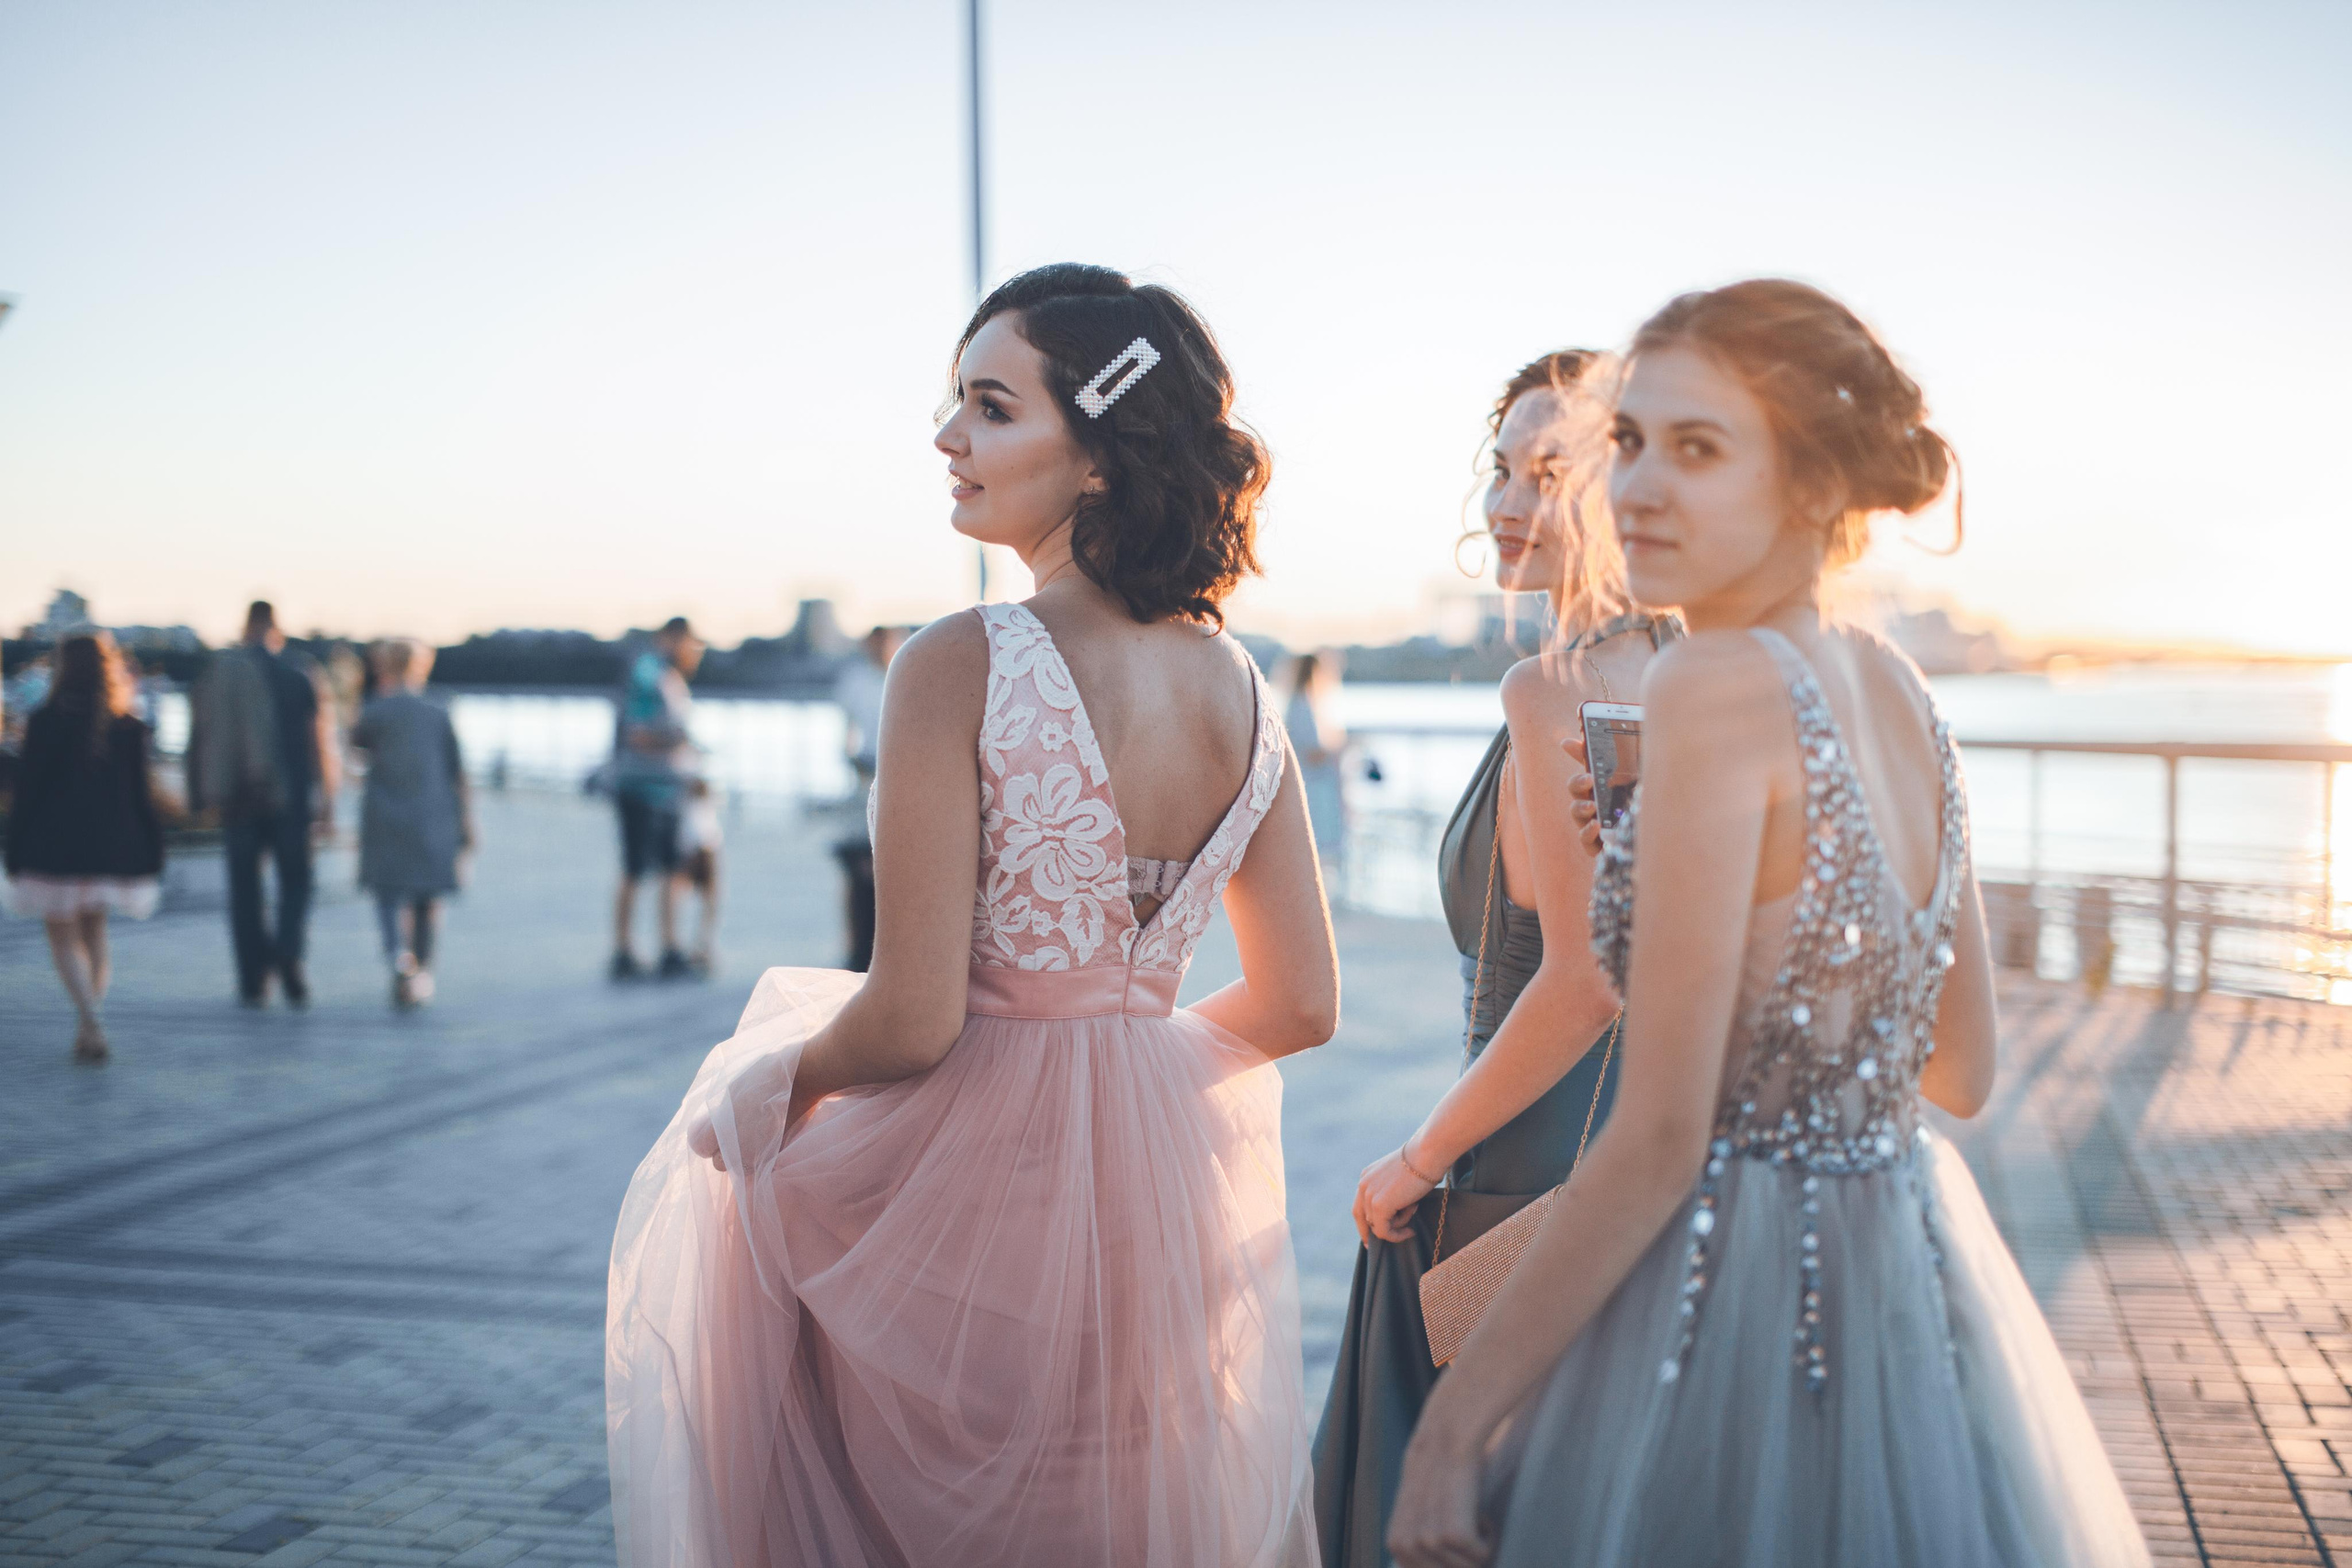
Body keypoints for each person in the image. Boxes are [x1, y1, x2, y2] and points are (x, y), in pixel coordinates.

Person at [1386, 280, 2149, 1567]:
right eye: (1628, 440)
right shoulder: (1898, 685)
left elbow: (1662, 1134)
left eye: (1698, 448)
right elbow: (1962, 1069)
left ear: (1809, 481)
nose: (1634, 490)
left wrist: (1452, 1425)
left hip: (1728, 1288)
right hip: (1898, 1272)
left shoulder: (1715, 680)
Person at [607, 263, 1340, 1567]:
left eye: (991, 406)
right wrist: (1130, 1062)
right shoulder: (1241, 683)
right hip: (1151, 1200)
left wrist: (771, 1083)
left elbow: (909, 1017)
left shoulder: (961, 658)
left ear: (1104, 454)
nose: (947, 437)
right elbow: (1300, 1005)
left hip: (969, 1192)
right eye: (955, 401)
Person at [1312, 351, 1679, 1567]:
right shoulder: (1695, 679)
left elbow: (1582, 976)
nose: (1509, 503)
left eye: (1548, 471)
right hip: (1641, 1151)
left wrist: (1418, 1153)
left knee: (1449, 1510)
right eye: (1500, 469)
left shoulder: (1552, 688)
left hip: (1513, 1154)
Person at [4, 631, 166, 1062]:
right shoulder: (128, 725)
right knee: (95, 932)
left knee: (61, 935)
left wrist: (14, 849)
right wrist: (153, 849)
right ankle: (89, 1021)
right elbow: (141, 796)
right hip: (110, 848)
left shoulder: (44, 721)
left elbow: (27, 794)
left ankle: (89, 1018)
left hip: (53, 848)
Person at [187, 601, 340, 1007]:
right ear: (276, 626)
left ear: (246, 624)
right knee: (296, 882)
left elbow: (201, 731)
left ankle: (253, 980)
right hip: (289, 796)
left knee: (244, 889)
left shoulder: (222, 670)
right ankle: (288, 950)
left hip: (239, 796)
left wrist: (201, 791)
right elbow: (317, 739)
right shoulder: (300, 670)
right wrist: (327, 797)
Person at [351, 638, 471, 1010]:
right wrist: (467, 822)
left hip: (385, 812)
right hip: (433, 814)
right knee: (427, 897)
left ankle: (399, 960)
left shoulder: (375, 709)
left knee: (388, 893)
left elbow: (351, 750)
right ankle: (423, 971)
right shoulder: (439, 710)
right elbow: (458, 773)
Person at [609, 615, 703, 981]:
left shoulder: (667, 675)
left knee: (671, 869)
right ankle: (624, 950)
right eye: (691, 645)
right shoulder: (649, 673)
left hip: (668, 787)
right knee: (635, 869)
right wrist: (678, 742)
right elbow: (637, 734)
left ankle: (669, 947)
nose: (695, 654)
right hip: (642, 787)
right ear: (674, 638)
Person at [831, 625, 900, 971]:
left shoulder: (906, 675)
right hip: (863, 784)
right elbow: (846, 733)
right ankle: (855, 948)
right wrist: (854, 762)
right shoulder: (855, 683)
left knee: (888, 870)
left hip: (898, 782)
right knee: (854, 868)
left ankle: (882, 951)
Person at [1283, 649, 1351, 882]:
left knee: (1317, 845)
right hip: (1313, 786)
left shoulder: (1301, 703)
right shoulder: (1301, 705)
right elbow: (1310, 752)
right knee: (1317, 843)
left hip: (1312, 784)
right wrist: (1340, 747)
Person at [677, 773, 722, 975]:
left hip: (703, 841)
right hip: (697, 843)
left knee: (706, 898)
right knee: (699, 897)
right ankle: (695, 945)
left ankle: (700, 945)